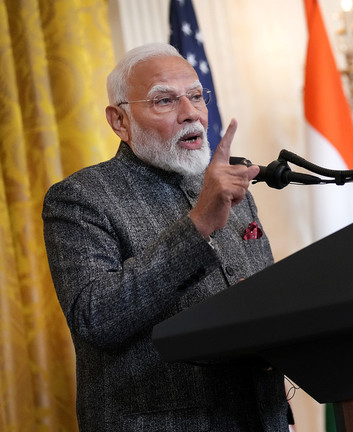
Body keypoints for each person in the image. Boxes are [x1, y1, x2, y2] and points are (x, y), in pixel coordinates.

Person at [42, 43, 290, 431]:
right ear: (119, 121)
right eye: (164, 101)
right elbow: (96, 319)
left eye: (195, 96)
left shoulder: (229, 187)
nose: (191, 113)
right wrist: (197, 227)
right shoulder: (81, 197)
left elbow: (258, 303)